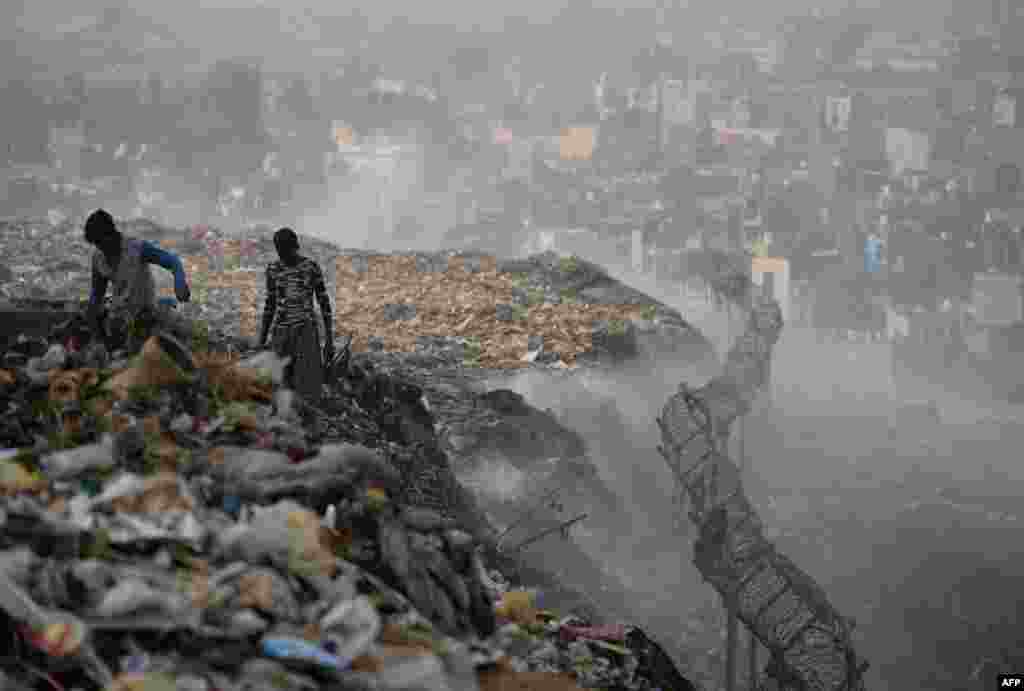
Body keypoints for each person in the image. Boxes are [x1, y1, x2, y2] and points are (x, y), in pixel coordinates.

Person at [84, 208, 192, 351]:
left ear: (112, 235)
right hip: (120, 316)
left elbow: (172, 261)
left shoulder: (136, 248)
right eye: (97, 244)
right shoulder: (99, 258)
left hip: (145, 311)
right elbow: (96, 296)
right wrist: (96, 336)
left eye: (101, 242)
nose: (101, 248)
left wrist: (179, 282)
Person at [259, 227, 334, 410]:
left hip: (305, 331)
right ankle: (285, 422)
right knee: (279, 383)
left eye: (286, 249)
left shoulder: (311, 267)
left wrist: (329, 341)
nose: (282, 254)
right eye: (279, 250)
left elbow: (324, 303)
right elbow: (270, 304)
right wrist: (262, 338)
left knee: (307, 386)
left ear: (296, 247)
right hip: (281, 332)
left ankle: (307, 422)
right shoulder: (273, 269)